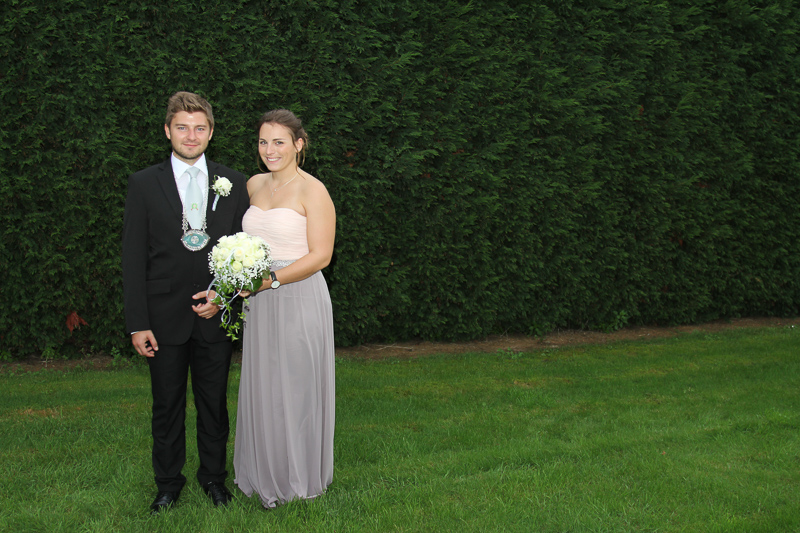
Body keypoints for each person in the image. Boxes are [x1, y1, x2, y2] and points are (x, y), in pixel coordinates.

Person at [122, 91, 250, 514]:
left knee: (214, 404)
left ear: (211, 132)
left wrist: (224, 297)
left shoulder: (234, 183)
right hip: (162, 316)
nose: (190, 136)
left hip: (215, 314)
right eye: (182, 127)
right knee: (167, 404)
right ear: (167, 131)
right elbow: (133, 257)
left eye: (199, 128)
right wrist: (138, 322)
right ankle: (167, 483)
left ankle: (214, 478)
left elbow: (243, 250)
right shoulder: (144, 183)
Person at [233, 109, 336, 509]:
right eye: (263, 141)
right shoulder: (253, 184)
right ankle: (264, 471)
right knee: (265, 386)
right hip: (259, 304)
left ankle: (298, 477)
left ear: (298, 144)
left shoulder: (313, 190)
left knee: (296, 386)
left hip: (298, 296)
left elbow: (321, 255)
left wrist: (271, 280)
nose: (270, 150)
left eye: (279, 142)